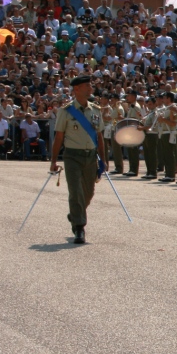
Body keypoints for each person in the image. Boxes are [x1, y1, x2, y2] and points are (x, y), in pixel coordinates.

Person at [50, 75, 106, 244]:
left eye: (91, 86)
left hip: (90, 156)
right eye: (87, 86)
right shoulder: (66, 111)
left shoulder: (95, 110)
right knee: (76, 192)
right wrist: (53, 161)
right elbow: (59, 137)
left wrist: (103, 160)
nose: (91, 89)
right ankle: (79, 227)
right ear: (77, 89)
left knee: (88, 194)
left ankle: (75, 214)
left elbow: (99, 136)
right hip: (72, 156)